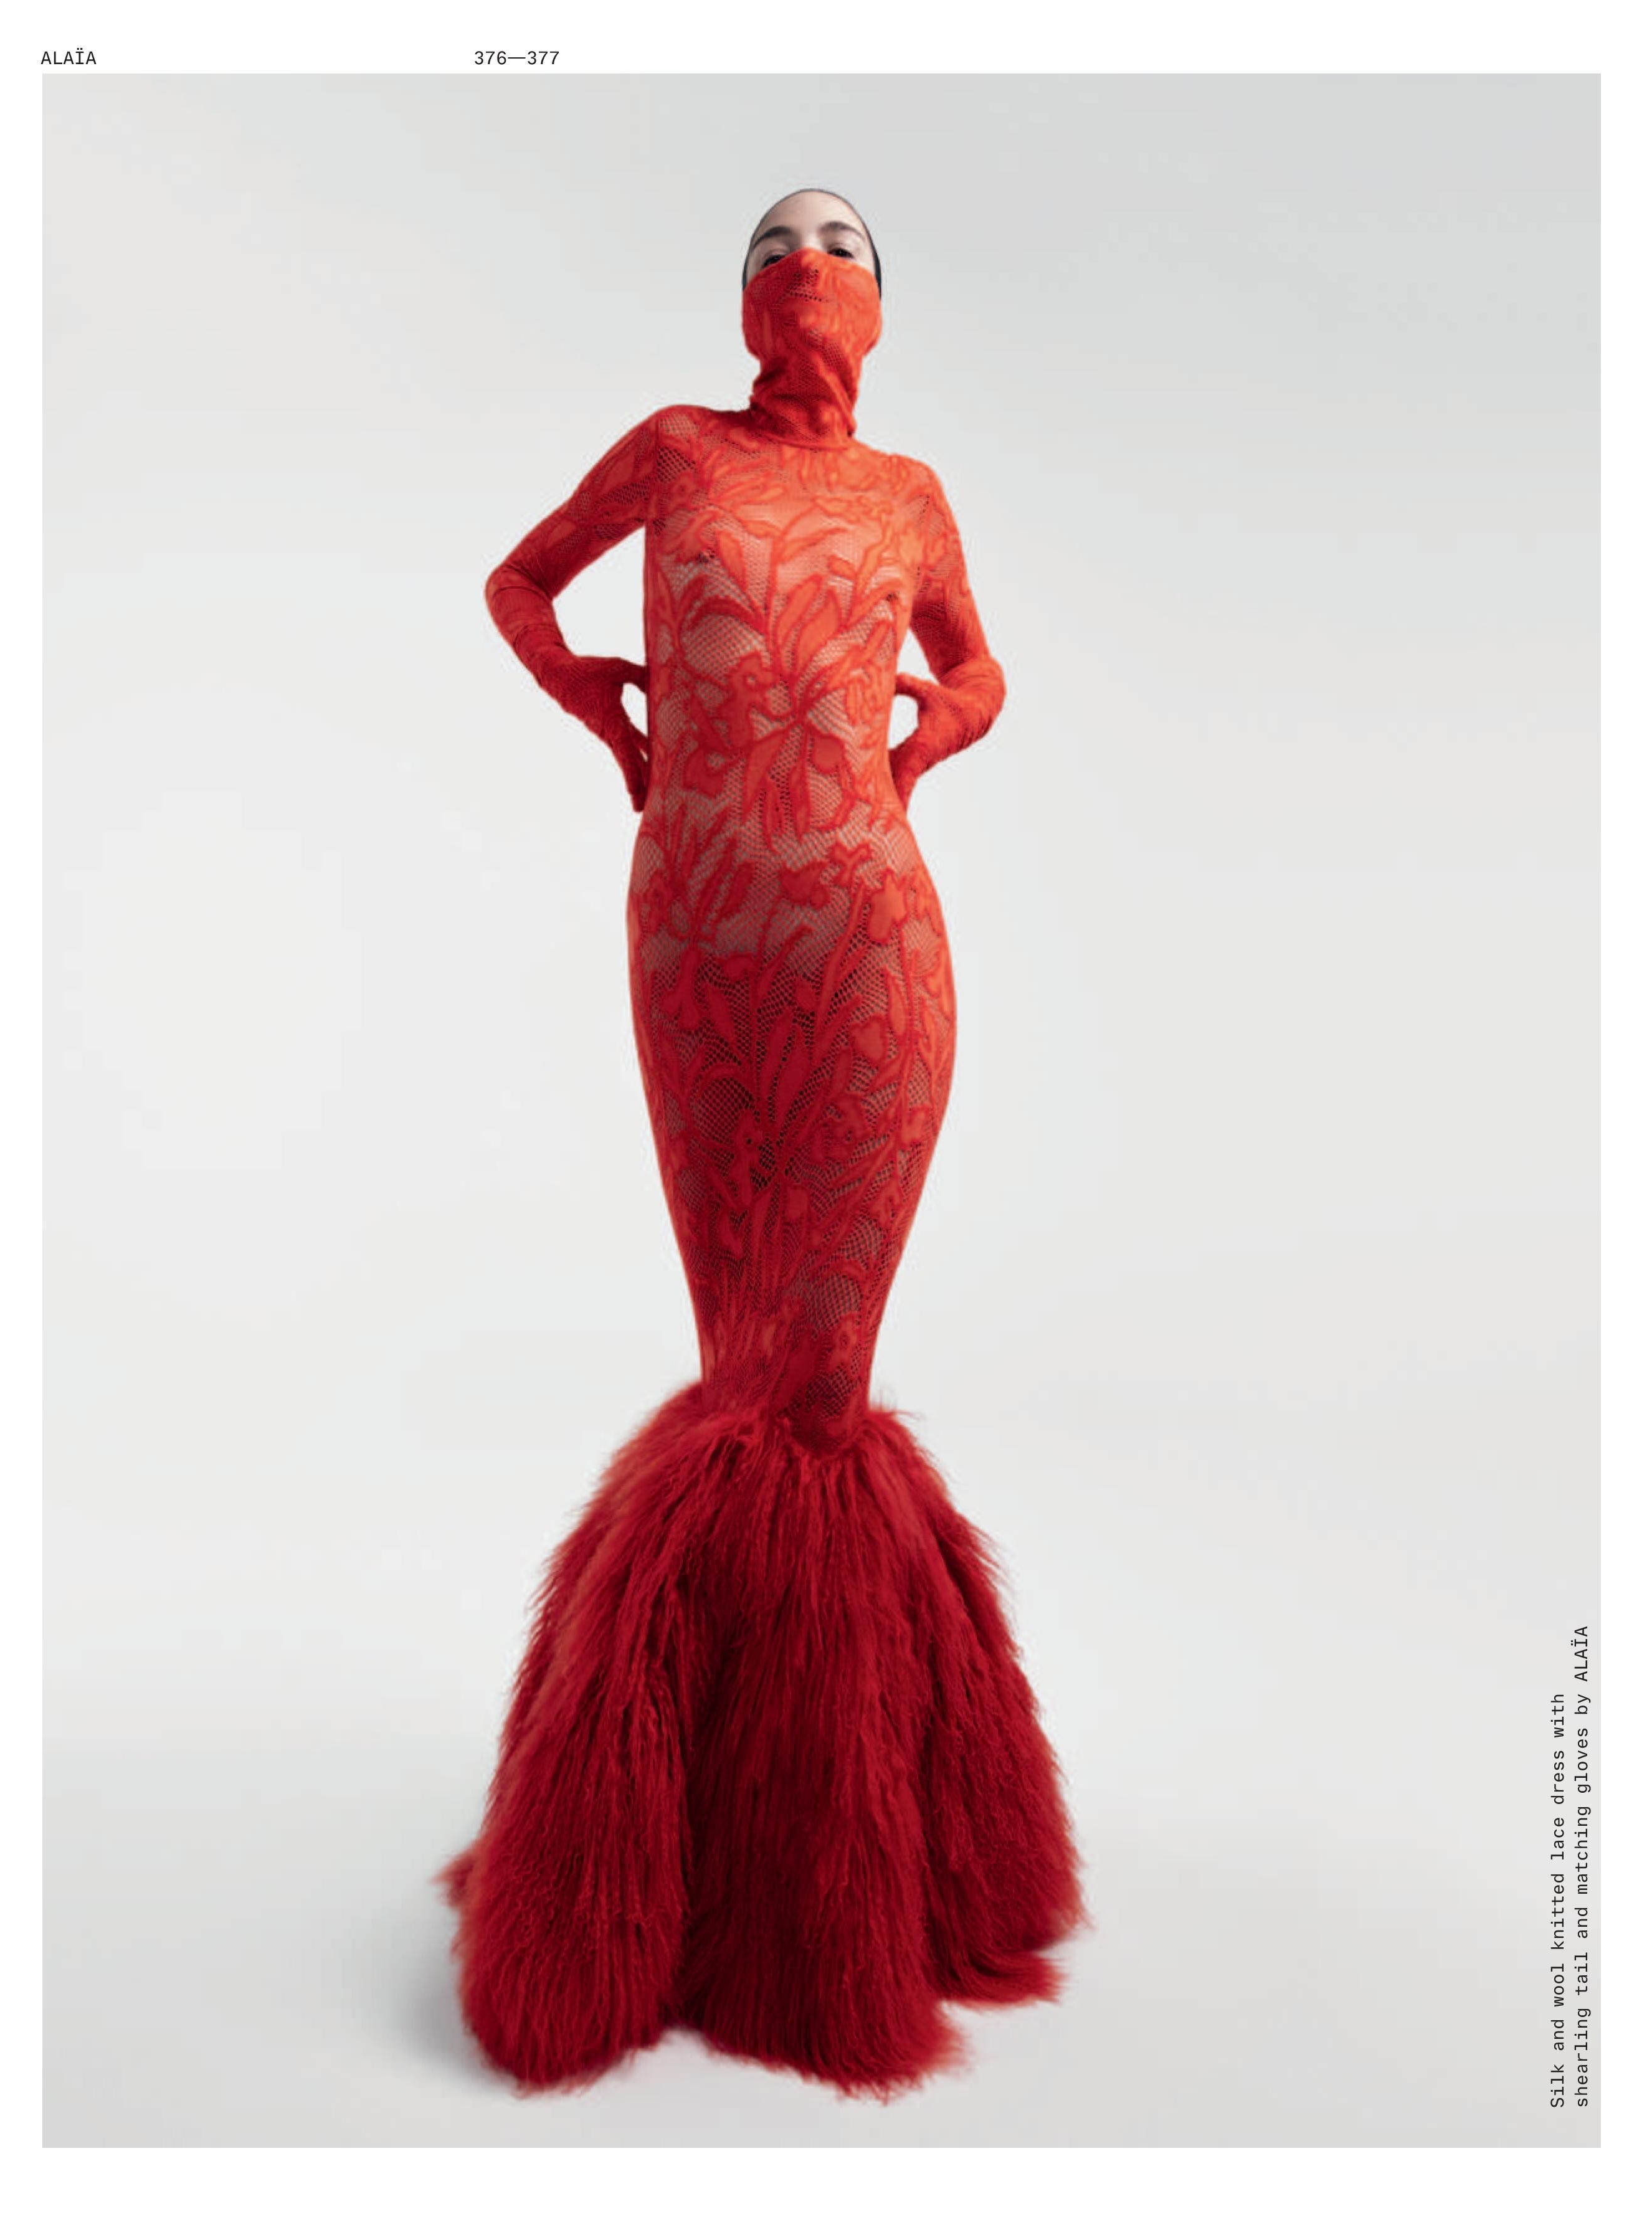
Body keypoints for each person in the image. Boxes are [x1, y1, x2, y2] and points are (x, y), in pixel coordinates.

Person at [436, 188, 1089, 2101]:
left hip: (869, 921)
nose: (807, 259)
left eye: (843, 241)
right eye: (775, 242)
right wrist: (590, 698)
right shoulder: (673, 451)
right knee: (745, 1366)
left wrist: (931, 733)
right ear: (742, 300)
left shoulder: (909, 495)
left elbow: (981, 665)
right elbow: (518, 580)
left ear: (881, 306)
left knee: (819, 1377)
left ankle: (833, 1869)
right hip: (700, 924)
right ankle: (685, 1848)